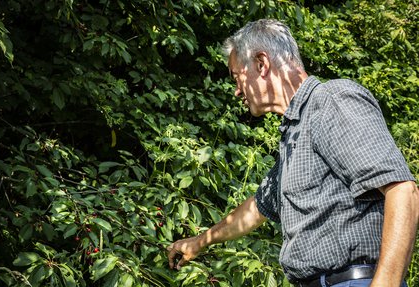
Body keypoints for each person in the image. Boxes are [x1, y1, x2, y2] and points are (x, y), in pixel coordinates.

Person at [167, 19, 419, 287]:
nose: (237, 91)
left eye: (236, 77)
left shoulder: (330, 101)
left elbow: (403, 190)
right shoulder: (295, 135)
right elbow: (255, 209)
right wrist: (200, 241)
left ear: (261, 64)